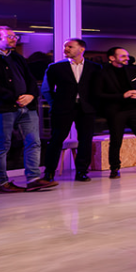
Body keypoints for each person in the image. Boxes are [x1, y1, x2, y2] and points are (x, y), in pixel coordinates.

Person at [0, 26, 56, 193]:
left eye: (15, 36)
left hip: (27, 107)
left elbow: (30, 79)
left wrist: (31, 95)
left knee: (34, 142)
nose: (14, 39)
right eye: (9, 36)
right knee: (1, 145)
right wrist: (15, 98)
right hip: (1, 108)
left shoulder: (17, 57)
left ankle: (33, 179)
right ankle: (1, 183)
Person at [41, 38, 102, 182]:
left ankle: (82, 171)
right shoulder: (55, 67)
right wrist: (55, 104)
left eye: (70, 46)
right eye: (65, 46)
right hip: (63, 108)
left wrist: (95, 105)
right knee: (56, 139)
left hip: (86, 109)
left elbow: (98, 88)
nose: (66, 49)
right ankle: (49, 172)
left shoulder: (95, 67)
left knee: (85, 140)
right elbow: (46, 89)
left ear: (81, 49)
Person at [97, 47, 136, 178]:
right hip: (116, 111)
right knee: (116, 140)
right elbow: (98, 94)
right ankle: (114, 168)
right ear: (112, 58)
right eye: (123, 56)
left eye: (127, 55)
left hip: (134, 108)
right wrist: (122, 96)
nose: (127, 58)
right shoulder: (102, 73)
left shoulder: (133, 70)